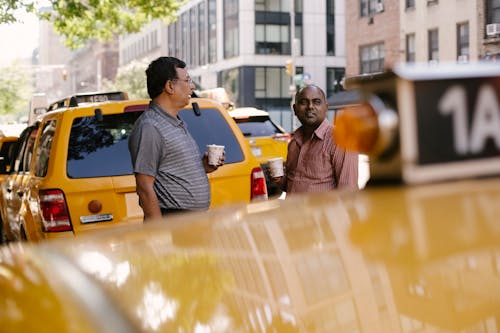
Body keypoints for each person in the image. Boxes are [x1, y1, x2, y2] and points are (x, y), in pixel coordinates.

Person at [128, 56, 223, 221]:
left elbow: (171, 169)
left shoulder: (176, 122)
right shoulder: (150, 126)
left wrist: (203, 167)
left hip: (192, 223)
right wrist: (159, 234)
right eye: (187, 81)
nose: (192, 87)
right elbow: (144, 186)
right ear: (170, 86)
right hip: (174, 223)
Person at [271, 85, 358, 193]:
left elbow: (348, 193)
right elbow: (293, 185)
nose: (310, 107)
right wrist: (279, 180)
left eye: (316, 102)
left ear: (326, 107)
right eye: (303, 102)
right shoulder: (294, 142)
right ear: (295, 109)